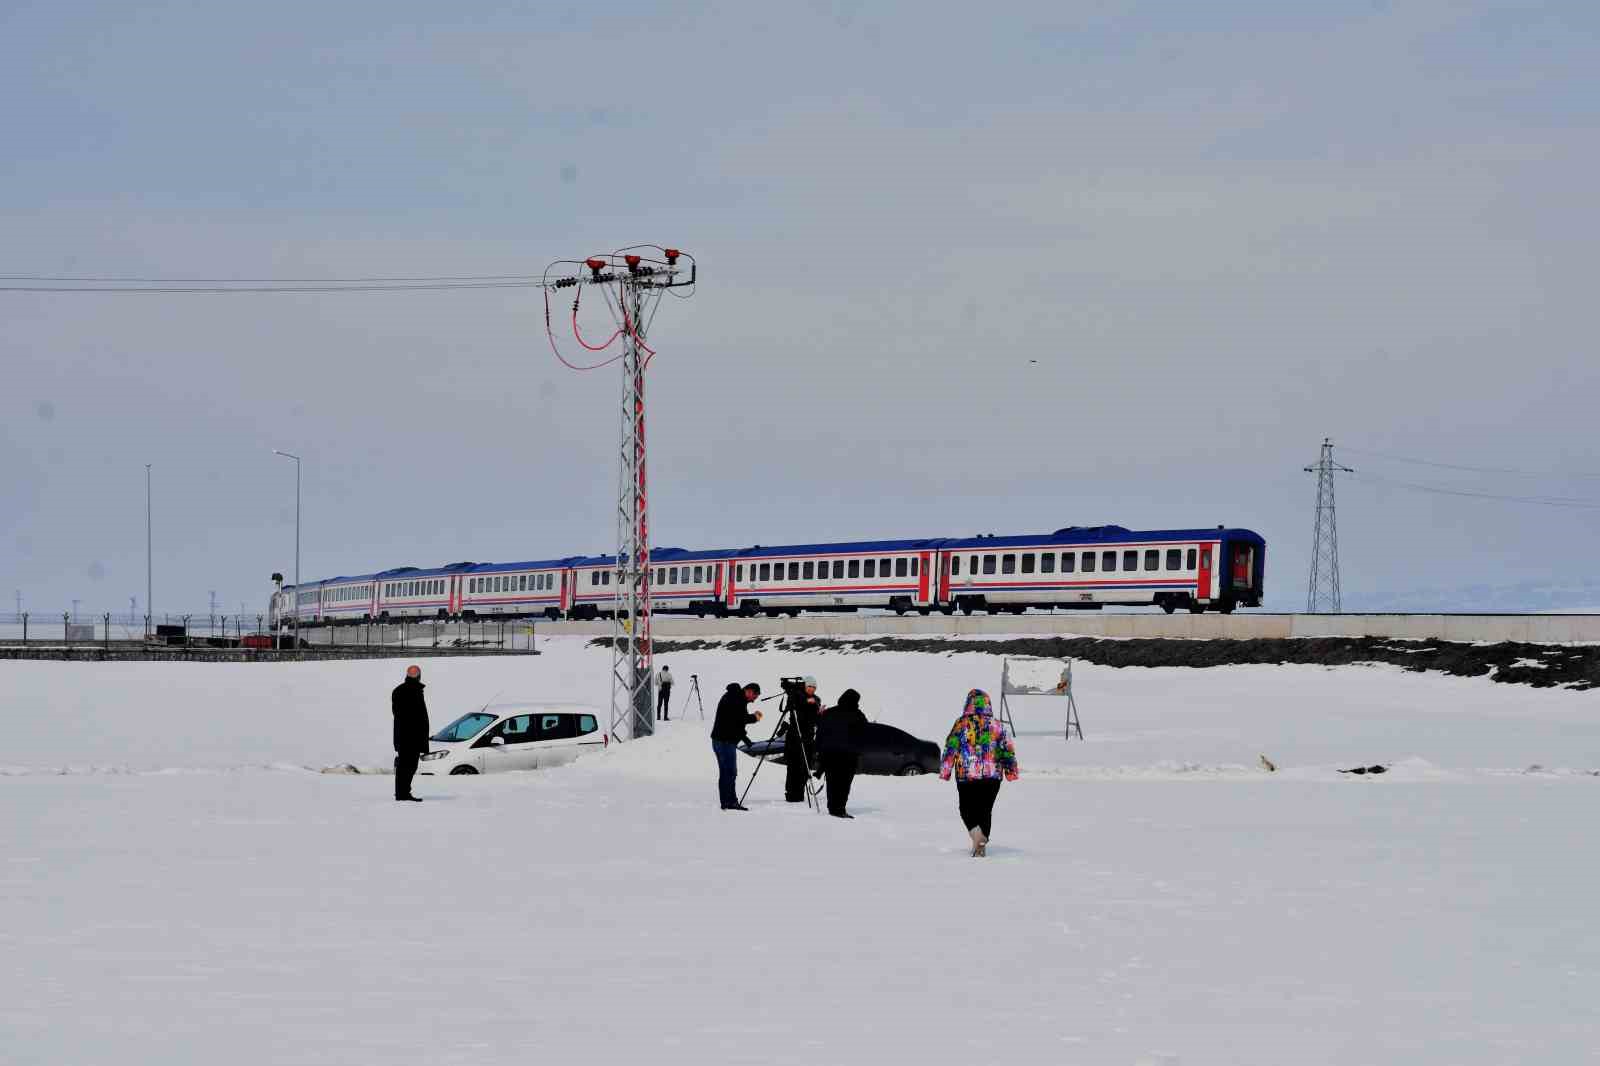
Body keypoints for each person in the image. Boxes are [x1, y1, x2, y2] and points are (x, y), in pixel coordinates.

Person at [938, 688, 1019, 856]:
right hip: (993, 777)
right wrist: (1011, 772)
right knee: (985, 809)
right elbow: (1007, 750)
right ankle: (982, 839)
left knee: (966, 808)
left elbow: (951, 747)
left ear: (968, 704)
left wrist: (945, 771)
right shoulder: (998, 725)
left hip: (967, 775)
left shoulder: (961, 724)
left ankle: (976, 834)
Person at [815, 688, 867, 818]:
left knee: (832, 783)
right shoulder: (858, 715)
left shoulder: (829, 713)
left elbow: (820, 733)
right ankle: (839, 809)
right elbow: (865, 734)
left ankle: (832, 808)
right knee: (844, 784)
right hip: (848, 757)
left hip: (829, 755)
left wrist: (818, 751)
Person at [710, 681, 763, 811]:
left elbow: (735, 722)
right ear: (749, 691)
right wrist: (755, 717)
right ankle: (730, 802)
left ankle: (728, 801)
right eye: (754, 697)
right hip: (724, 741)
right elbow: (740, 719)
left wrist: (746, 739)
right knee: (729, 772)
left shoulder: (735, 697)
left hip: (722, 740)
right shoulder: (736, 698)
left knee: (727, 772)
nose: (754, 700)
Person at [391, 664, 431, 802]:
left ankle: (402, 793)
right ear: (419, 676)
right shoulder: (414, 691)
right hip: (410, 737)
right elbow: (416, 717)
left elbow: (397, 714)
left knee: (405, 766)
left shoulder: (398, 691)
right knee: (408, 766)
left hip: (404, 736)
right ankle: (403, 794)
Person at [781, 676, 822, 803]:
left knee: (805, 766)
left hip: (808, 737)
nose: (812, 689)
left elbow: (814, 719)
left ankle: (800, 793)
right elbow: (795, 713)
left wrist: (820, 713)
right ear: (805, 686)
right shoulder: (797, 696)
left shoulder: (816, 699)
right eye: (810, 686)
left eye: (814, 687)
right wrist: (806, 704)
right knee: (794, 766)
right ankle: (792, 794)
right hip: (795, 736)